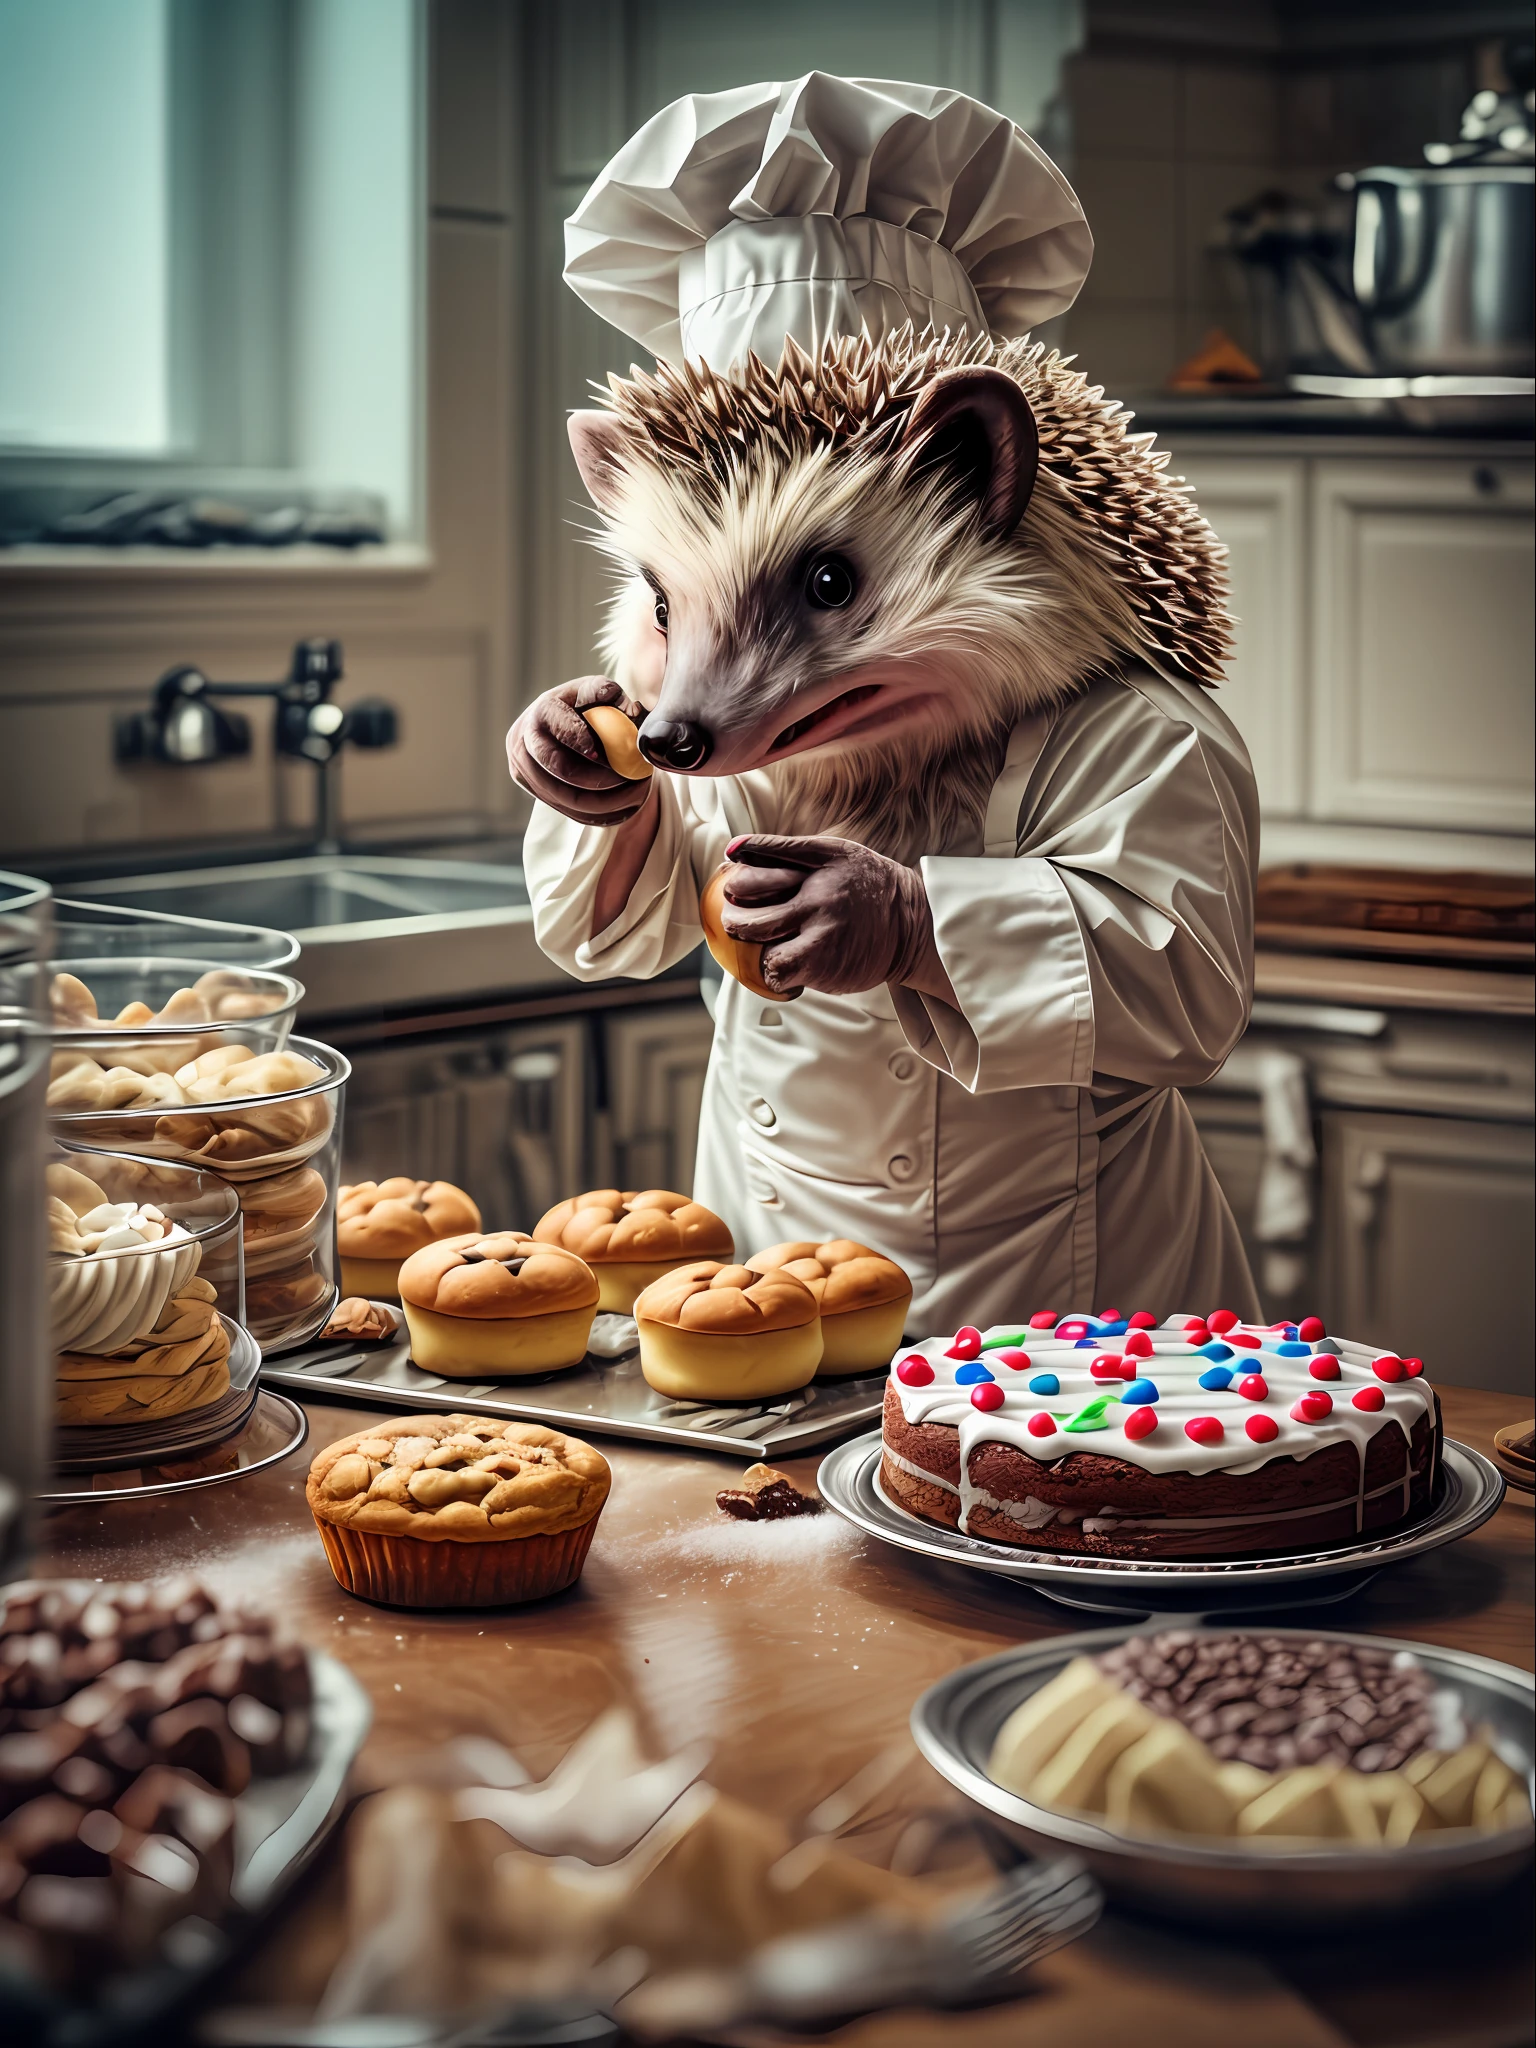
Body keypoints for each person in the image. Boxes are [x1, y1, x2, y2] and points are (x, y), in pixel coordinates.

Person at [511, 74, 1262, 1334]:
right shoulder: (693, 724)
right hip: (760, 1267)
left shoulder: (1132, 735)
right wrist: (607, 800)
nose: (692, 708)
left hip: (1073, 1311)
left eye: (821, 582)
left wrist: (923, 923)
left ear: (980, 479)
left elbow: (1189, 997)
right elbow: (611, 937)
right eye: (671, 603)